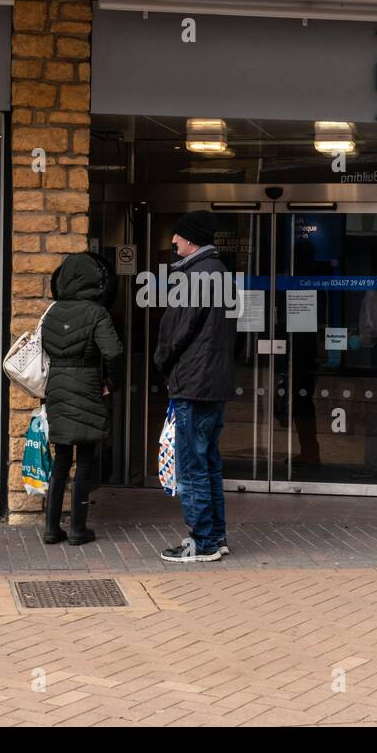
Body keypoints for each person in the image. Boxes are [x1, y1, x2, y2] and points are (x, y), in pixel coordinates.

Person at [154, 211, 237, 563]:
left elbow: (176, 332)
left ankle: (201, 541)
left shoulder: (198, 276)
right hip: (212, 382)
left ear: (192, 239)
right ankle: (215, 537)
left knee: (191, 466)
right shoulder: (219, 274)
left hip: (194, 383)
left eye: (178, 236)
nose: (173, 242)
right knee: (208, 464)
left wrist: (161, 361)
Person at [39, 252, 124, 546]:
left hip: (57, 387)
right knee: (85, 461)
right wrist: (111, 383)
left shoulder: (52, 311)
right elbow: (113, 351)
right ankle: (77, 529)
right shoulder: (96, 312)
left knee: (61, 459)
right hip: (87, 384)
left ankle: (51, 528)